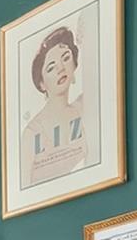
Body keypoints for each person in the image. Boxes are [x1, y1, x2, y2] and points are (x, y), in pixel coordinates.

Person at [20, 24, 96, 184]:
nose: (61, 68)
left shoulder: (84, 106)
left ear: (75, 64)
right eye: (51, 67)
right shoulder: (31, 134)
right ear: (41, 84)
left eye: (66, 58)